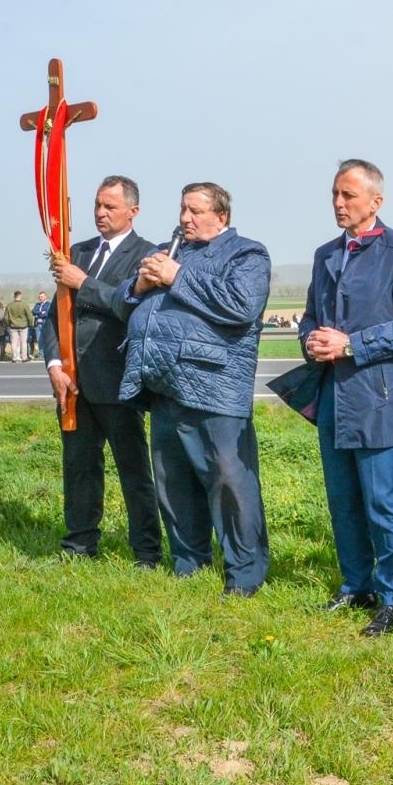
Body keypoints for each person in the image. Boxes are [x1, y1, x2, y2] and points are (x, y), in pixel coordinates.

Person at [301, 158, 393, 636]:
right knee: (342, 500)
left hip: (377, 397)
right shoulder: (324, 255)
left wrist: (353, 344)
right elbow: (311, 317)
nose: (339, 203)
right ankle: (355, 584)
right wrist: (313, 341)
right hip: (333, 397)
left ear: (376, 201)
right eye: (335, 195)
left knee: (382, 501)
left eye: (348, 196)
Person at [120, 182, 271, 595]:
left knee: (228, 481)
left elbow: (242, 304)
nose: (184, 218)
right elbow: (125, 297)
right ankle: (189, 564)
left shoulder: (246, 254)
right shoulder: (171, 250)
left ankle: (244, 575)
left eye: (195, 211)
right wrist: (139, 287)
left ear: (221, 216)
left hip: (215, 386)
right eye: (182, 210)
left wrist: (177, 277)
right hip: (164, 383)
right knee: (173, 481)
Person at [41, 174, 163, 567]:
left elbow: (129, 305)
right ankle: (79, 544)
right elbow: (54, 317)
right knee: (78, 465)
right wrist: (55, 363)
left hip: (116, 379)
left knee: (132, 468)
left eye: (110, 206)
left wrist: (85, 283)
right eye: (97, 205)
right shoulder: (76, 251)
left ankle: (146, 550)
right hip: (73, 382)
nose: (100, 213)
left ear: (133, 211)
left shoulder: (147, 254)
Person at [4, 292, 32, 362]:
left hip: (13, 326)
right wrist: (30, 324)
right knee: (24, 342)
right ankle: (24, 357)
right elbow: (29, 316)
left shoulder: (9, 305)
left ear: (14, 296)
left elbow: (6, 317)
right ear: (20, 296)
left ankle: (14, 357)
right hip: (23, 326)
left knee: (13, 342)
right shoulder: (24, 305)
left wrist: (8, 324)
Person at [30, 291, 50, 358]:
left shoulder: (48, 304)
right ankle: (41, 355)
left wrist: (38, 313)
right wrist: (41, 312)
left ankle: (48, 354)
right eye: (39, 297)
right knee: (39, 340)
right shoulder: (37, 304)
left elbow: (47, 313)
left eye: (41, 297)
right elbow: (33, 312)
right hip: (37, 325)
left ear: (45, 297)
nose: (40, 298)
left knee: (46, 339)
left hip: (45, 324)